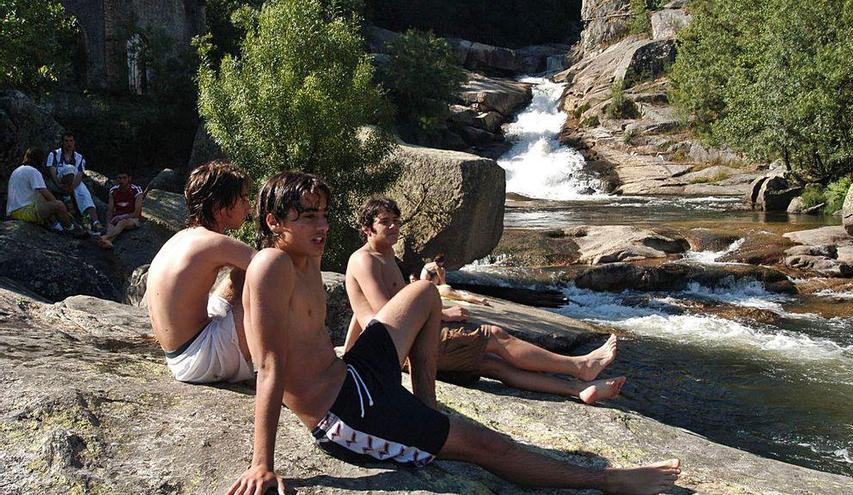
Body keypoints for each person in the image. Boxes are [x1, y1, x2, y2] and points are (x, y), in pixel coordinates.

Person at [228, 172, 680, 495]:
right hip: (346, 414)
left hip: (355, 374)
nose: (322, 226)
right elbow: (268, 364)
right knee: (485, 445)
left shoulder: (306, 261)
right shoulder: (270, 265)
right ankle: (607, 481)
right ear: (274, 222)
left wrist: (367, 352)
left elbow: (329, 332)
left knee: (424, 292)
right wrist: (262, 464)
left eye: (324, 215)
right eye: (307, 217)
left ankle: (427, 404)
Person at [345, 196, 624, 404]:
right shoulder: (364, 260)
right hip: (400, 349)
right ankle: (579, 367)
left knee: (493, 364)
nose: (393, 227)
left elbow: (361, 312)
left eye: (396, 221)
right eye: (385, 222)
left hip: (406, 344)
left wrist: (347, 353)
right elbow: (385, 315)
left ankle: (578, 389)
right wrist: (444, 315)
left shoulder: (386, 256)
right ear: (367, 228)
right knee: (495, 336)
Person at [146, 160, 256, 384]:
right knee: (270, 281)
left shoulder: (182, 237)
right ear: (219, 206)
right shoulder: (214, 243)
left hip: (181, 356)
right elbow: (276, 269)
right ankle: (290, 367)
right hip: (201, 359)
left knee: (243, 273)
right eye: (243, 199)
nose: (249, 206)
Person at [6, 147, 81, 236]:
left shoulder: (17, 170)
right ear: (40, 160)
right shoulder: (33, 171)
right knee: (58, 205)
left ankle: (56, 226)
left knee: (44, 201)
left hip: (13, 211)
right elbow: (47, 195)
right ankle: (71, 229)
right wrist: (63, 211)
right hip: (23, 212)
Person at [46, 132, 103, 232]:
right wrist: (58, 184)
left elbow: (80, 174)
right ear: (62, 142)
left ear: (74, 142)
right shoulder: (54, 154)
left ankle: (95, 222)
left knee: (84, 193)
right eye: (66, 141)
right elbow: (53, 171)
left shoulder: (79, 157)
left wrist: (71, 188)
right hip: (61, 178)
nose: (69, 143)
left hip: (74, 182)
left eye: (71, 141)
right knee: (69, 168)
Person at [97, 172, 144, 249]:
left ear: (129, 178)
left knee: (122, 222)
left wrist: (121, 217)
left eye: (124, 178)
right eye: (119, 178)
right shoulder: (113, 191)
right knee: (112, 225)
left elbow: (136, 213)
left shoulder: (137, 191)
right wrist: (108, 223)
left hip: (133, 218)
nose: (121, 180)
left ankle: (104, 237)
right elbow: (110, 210)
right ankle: (108, 242)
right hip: (117, 217)